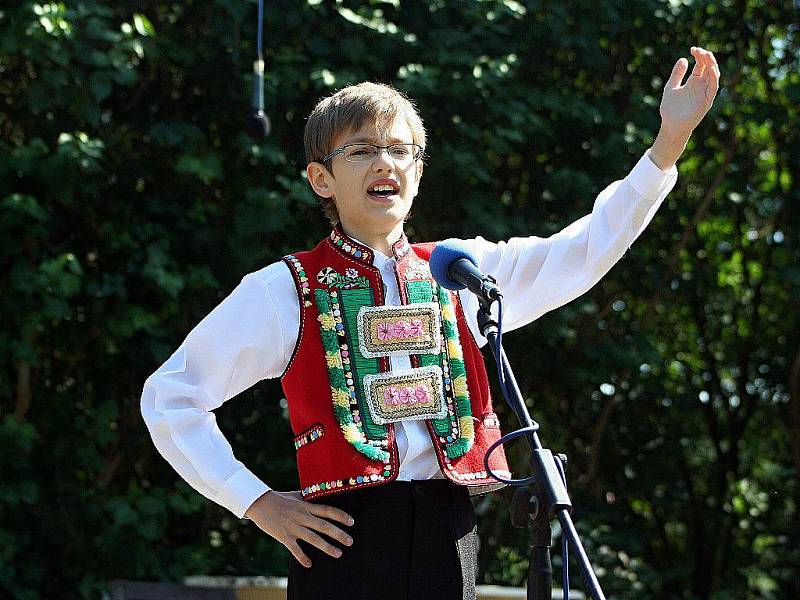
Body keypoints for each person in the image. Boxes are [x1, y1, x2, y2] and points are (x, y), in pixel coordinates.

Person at [141, 47, 719, 600]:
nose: (385, 162)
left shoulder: (461, 270)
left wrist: (669, 142)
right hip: (346, 536)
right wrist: (257, 502)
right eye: (362, 150)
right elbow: (171, 397)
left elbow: (584, 249)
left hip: (450, 530)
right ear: (322, 179)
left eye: (400, 150)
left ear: (418, 172)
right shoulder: (284, 290)